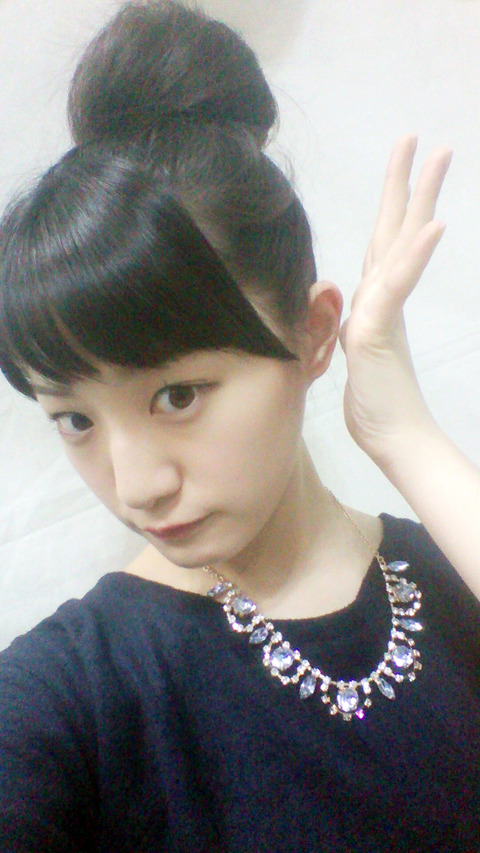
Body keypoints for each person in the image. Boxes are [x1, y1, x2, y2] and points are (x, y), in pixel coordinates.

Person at [0, 2, 479, 850]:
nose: (136, 486)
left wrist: (406, 435)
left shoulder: (451, 567)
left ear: (313, 333)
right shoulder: (75, 689)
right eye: (74, 417)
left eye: (177, 395)